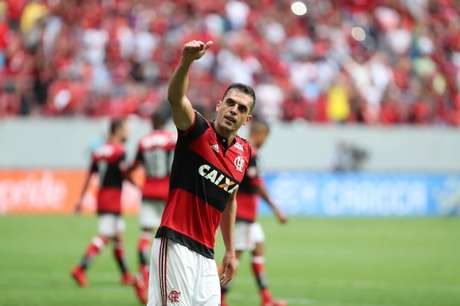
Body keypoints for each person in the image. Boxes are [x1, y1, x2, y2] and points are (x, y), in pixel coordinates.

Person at [147, 40, 255, 306]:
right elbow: (175, 98)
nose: (234, 110)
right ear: (219, 106)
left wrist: (230, 249)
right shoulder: (196, 132)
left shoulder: (243, 153)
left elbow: (229, 199)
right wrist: (186, 62)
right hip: (175, 245)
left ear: (247, 119)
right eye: (230, 103)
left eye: (242, 109)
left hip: (207, 256)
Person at [221, 120, 288, 306]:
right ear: (260, 134)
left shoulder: (242, 149)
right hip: (241, 213)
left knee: (258, 247)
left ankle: (266, 298)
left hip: (248, 215)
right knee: (233, 258)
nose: (266, 140)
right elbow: (257, 185)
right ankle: (217, 297)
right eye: (266, 136)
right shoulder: (250, 153)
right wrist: (275, 208)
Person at [71, 118, 134, 287]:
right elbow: (125, 174)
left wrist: (80, 200)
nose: (128, 132)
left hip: (102, 195)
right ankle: (80, 268)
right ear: (118, 129)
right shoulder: (119, 151)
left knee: (118, 235)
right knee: (105, 235)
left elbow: (89, 176)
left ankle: (126, 274)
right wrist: (138, 185)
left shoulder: (98, 151)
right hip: (112, 197)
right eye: (126, 128)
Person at [130, 109, 176, 304]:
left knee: (144, 237)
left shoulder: (143, 141)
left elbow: (132, 167)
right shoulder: (171, 139)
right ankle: (170, 279)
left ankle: (143, 279)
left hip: (148, 190)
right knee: (171, 238)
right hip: (167, 191)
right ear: (166, 122)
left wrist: (135, 183)